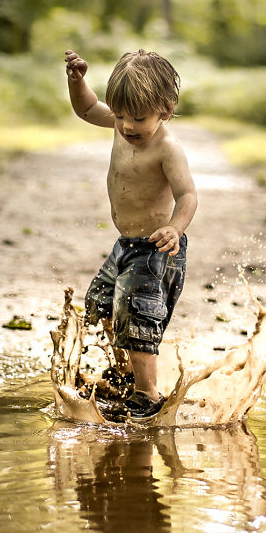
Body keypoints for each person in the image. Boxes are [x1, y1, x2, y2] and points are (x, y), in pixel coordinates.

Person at [65, 47, 198, 419]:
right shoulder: (121, 125)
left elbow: (187, 195)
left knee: (138, 318)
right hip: (125, 245)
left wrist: (174, 227)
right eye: (120, 115)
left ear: (165, 111)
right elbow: (87, 109)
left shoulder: (168, 149)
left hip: (156, 248)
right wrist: (77, 81)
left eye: (137, 118)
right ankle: (123, 372)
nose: (126, 126)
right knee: (101, 305)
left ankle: (147, 393)